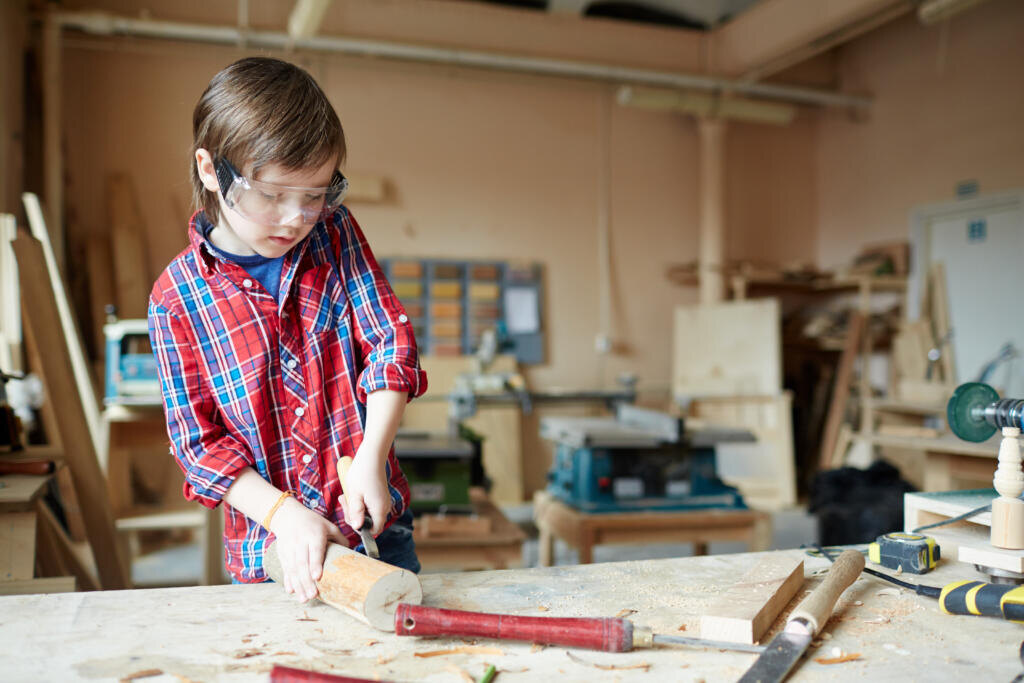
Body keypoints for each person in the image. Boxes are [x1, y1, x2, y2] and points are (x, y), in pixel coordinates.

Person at [148, 57, 426, 600]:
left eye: (316, 193)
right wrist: (284, 515)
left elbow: (389, 340)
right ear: (211, 169)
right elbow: (199, 447)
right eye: (273, 196)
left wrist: (372, 454)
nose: (296, 218)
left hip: (374, 538)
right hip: (270, 557)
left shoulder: (335, 233)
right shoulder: (175, 299)